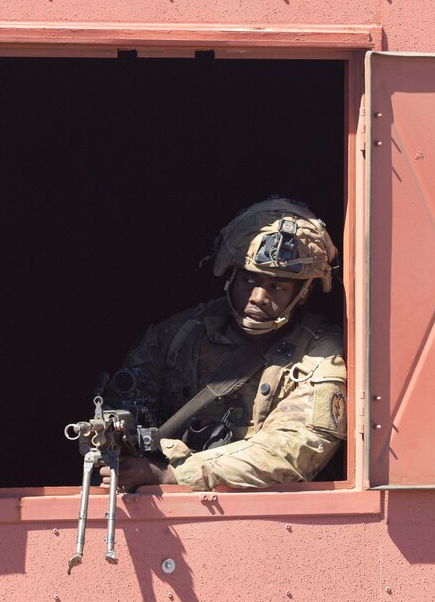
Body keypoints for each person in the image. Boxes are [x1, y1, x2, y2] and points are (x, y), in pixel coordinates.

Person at [100, 196, 347, 492]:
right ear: (230, 277)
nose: (258, 297)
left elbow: (291, 451)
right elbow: (123, 405)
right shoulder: (183, 334)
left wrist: (174, 474)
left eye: (277, 286)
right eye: (248, 280)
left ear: (303, 292)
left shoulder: (320, 353)